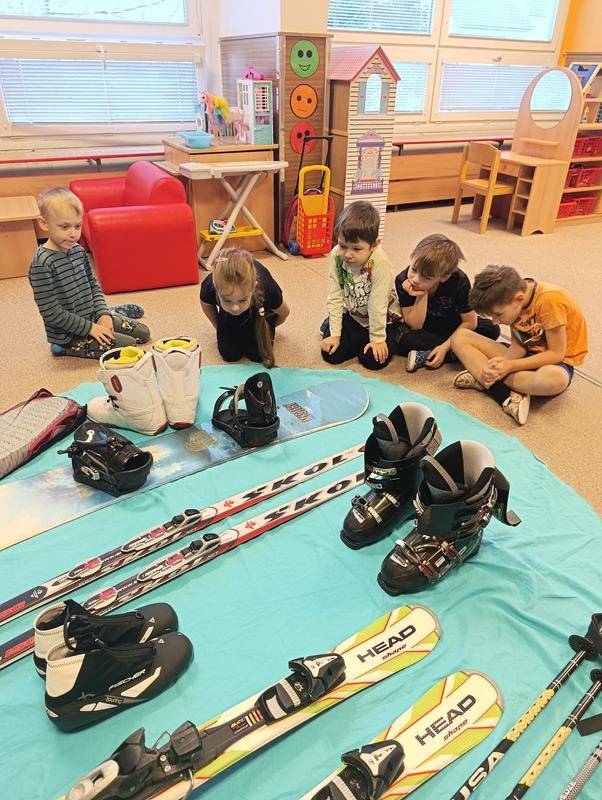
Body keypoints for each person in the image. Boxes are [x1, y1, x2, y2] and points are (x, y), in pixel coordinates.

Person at [451, 265, 588, 425]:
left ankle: (483, 377)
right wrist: (503, 364)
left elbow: (556, 354)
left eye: (498, 315)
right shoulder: (512, 299)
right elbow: (518, 346)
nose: (495, 322)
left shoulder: (550, 300)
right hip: (526, 354)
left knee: (553, 380)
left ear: (519, 299)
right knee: (460, 337)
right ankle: (504, 387)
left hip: (555, 362)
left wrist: (509, 366)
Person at [29, 188, 150, 359]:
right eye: (64, 227)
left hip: (92, 315)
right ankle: (61, 347)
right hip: (68, 334)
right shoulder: (42, 264)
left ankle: (109, 311)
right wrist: (90, 328)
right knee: (128, 345)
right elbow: (51, 312)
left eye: (77, 226)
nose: (73, 234)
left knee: (144, 334)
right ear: (44, 223)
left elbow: (93, 285)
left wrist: (102, 314)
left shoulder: (78, 250)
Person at [394, 234, 499, 372]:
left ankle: (434, 354)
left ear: (444, 277)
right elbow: (415, 326)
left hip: (453, 327)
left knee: (492, 328)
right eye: (413, 269)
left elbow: (470, 322)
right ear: (412, 257)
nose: (415, 279)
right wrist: (422, 295)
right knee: (403, 337)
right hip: (425, 330)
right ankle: (462, 352)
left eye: (426, 277)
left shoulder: (459, 281)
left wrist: (444, 348)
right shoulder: (402, 280)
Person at [320, 200, 400, 371]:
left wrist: (377, 339)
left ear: (374, 245)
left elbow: (377, 304)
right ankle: (331, 324)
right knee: (331, 354)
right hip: (355, 315)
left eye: (356, 249)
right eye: (342, 245)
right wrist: (335, 334)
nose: (347, 254)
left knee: (373, 361)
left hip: (382, 320)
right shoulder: (336, 256)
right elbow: (335, 295)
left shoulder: (380, 262)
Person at [200, 247, 289, 368]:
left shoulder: (268, 289)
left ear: (253, 287)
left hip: (259, 313)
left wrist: (270, 326)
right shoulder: (210, 285)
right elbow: (206, 304)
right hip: (228, 316)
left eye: (242, 300)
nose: (235, 308)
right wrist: (219, 327)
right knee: (230, 354)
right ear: (215, 288)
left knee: (257, 355)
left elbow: (284, 313)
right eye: (227, 300)